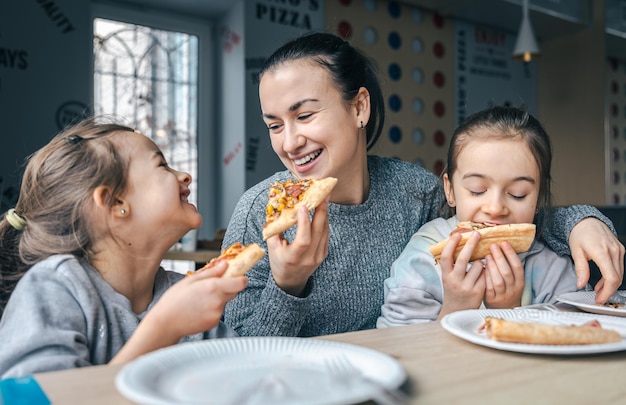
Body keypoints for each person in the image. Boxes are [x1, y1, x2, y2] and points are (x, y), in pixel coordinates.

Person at [222, 32, 623, 337]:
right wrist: (288, 285)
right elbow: (238, 353)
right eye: (274, 125)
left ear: (359, 107)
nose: (289, 142)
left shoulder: (415, 192)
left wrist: (581, 221)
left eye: (305, 116)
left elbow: (495, 221)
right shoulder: (261, 210)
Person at [0, 118, 247, 378]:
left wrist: (284, 281)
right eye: (162, 165)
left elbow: (240, 381)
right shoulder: (55, 288)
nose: (185, 175)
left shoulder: (183, 294)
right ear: (116, 202)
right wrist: (165, 328)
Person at [377, 106, 580, 327]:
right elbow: (397, 342)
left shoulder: (551, 268)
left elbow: (574, 337)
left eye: (517, 194)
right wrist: (454, 310)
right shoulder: (425, 255)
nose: (495, 208)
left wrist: (510, 312)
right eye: (476, 190)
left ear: (539, 199)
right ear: (450, 190)